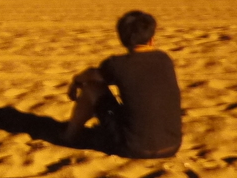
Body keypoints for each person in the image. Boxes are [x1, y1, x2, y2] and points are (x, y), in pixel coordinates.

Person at [63, 10, 182, 158]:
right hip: (172, 146)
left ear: (123, 40)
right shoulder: (165, 60)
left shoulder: (116, 64)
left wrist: (75, 81)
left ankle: (70, 136)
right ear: (152, 39)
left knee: (91, 87)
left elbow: (91, 76)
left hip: (132, 148)